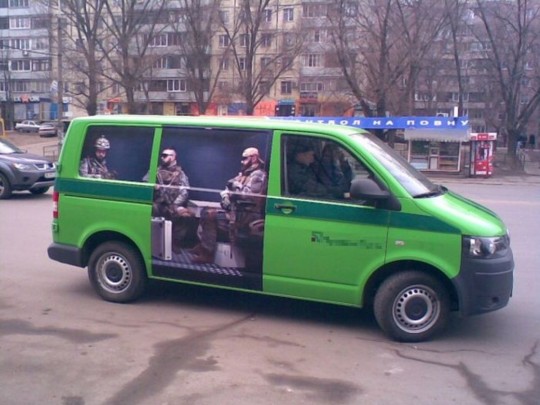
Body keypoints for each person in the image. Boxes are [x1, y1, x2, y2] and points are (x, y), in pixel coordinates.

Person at [191, 147, 267, 264]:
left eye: (245, 158)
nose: (242, 161)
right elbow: (227, 188)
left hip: (247, 216)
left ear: (254, 158)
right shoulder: (244, 174)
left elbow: (249, 196)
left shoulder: (258, 175)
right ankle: (203, 245)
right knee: (206, 211)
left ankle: (207, 252)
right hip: (235, 212)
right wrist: (225, 197)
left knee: (209, 215)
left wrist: (236, 186)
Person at [152, 147, 191, 253]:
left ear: (173, 157)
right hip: (158, 203)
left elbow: (184, 192)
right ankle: (153, 240)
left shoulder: (180, 174)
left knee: (185, 216)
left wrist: (175, 204)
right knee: (152, 209)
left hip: (174, 204)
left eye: (165, 155)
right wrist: (154, 187)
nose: (162, 158)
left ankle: (175, 242)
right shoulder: (155, 171)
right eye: (162, 155)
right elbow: (145, 183)